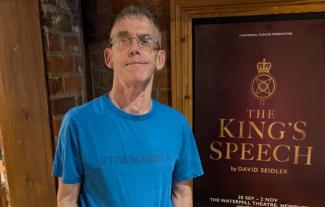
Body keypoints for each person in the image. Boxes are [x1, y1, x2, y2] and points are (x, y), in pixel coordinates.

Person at [52, 5, 203, 207]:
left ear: (160, 59)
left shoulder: (177, 125)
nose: (134, 48)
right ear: (109, 57)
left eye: (145, 40)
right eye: (123, 41)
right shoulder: (77, 123)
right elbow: (67, 198)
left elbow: (182, 194)